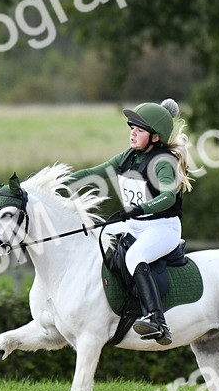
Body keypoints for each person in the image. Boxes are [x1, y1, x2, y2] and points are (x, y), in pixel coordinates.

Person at [65, 99, 195, 344]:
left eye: (139, 130)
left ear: (155, 138)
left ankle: (157, 321)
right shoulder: (129, 157)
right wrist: (60, 181)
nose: (133, 134)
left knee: (134, 256)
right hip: (136, 224)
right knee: (97, 236)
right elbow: (97, 171)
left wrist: (141, 208)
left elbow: (167, 197)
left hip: (162, 228)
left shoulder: (163, 162)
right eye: (131, 128)